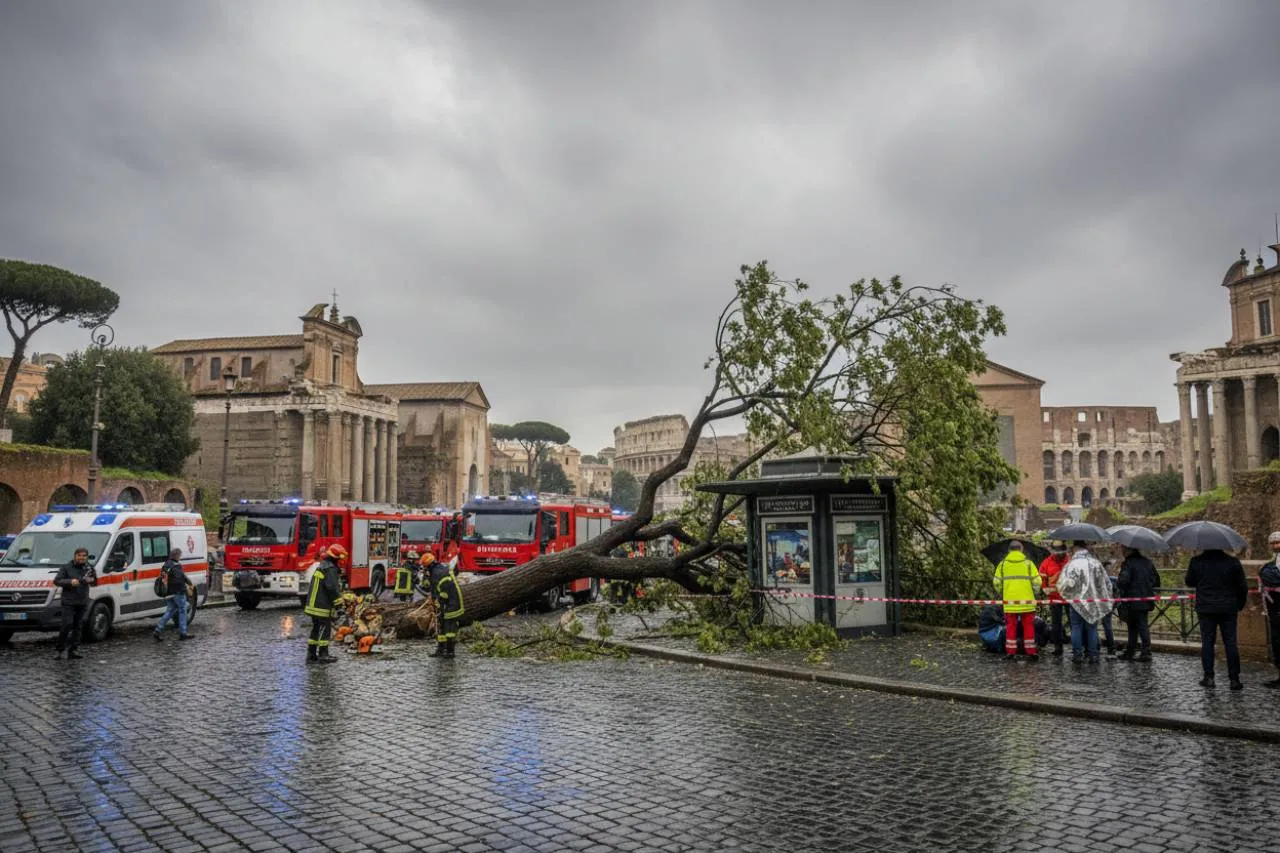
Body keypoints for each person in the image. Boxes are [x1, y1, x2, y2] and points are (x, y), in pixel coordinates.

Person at [1186, 546, 1249, 690]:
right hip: (1228, 608)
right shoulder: (1232, 562)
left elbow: (1189, 581)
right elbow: (1242, 586)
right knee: (1231, 643)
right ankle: (1234, 679)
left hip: (1206, 608)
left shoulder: (1196, 561)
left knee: (1207, 643)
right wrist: (1239, 604)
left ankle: (1209, 677)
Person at [1056, 541, 1111, 664]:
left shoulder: (1071, 565)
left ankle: (1077, 654)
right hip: (1093, 602)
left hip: (1076, 602)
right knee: (1092, 628)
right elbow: (1106, 583)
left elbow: (1063, 584)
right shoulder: (1096, 564)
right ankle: (1093, 655)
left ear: (1075, 548)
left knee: (1076, 628)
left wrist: (1069, 595)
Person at [992, 541, 1042, 660]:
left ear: (1009, 551)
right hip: (1027, 602)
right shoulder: (1029, 564)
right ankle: (1031, 652)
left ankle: (1011, 652)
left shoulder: (1003, 564)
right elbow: (1037, 582)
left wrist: (1003, 591)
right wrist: (1034, 592)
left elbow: (996, 582)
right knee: (1029, 626)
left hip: (1009, 602)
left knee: (1011, 627)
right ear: (1021, 550)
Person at [1115, 546, 1160, 661]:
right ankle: (1145, 651)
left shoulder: (1128, 563)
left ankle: (1132, 651)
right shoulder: (1148, 562)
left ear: (1130, 551)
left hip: (1131, 600)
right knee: (1143, 625)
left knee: (1132, 627)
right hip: (1146, 599)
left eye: (1124, 550)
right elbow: (1156, 580)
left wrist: (1119, 578)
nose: (1122, 552)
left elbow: (1123, 581)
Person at [304, 544, 346, 664]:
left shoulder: (323, 566)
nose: (341, 561)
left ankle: (311, 655)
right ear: (335, 558)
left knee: (316, 628)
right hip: (321, 605)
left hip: (313, 603)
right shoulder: (330, 569)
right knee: (324, 628)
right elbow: (332, 588)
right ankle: (323, 654)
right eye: (340, 558)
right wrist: (339, 606)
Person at [53, 547, 94, 660]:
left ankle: (73, 650)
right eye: (79, 555)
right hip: (68, 601)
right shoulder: (66, 567)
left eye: (84, 556)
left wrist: (91, 580)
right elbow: (57, 581)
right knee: (67, 625)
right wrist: (70, 582)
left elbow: (95, 581)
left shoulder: (89, 567)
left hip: (82, 601)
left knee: (78, 626)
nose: (82, 557)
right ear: (75, 556)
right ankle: (59, 650)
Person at [427, 551, 464, 658]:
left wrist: (439, 604)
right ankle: (441, 650)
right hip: (446, 603)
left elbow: (442, 592)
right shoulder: (439, 570)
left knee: (449, 630)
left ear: (429, 565)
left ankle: (450, 651)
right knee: (442, 627)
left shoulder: (437, 574)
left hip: (451, 605)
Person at [153, 548, 193, 641]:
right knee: (183, 610)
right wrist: (189, 585)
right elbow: (181, 578)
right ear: (176, 555)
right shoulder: (177, 565)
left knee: (170, 611)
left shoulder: (165, 565)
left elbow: (163, 579)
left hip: (168, 593)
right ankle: (183, 632)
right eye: (179, 555)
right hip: (178, 592)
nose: (180, 557)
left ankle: (158, 630)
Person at [1038, 541, 1070, 656]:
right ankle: (1058, 647)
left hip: (1069, 598)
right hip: (1054, 598)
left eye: (1060, 553)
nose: (1058, 555)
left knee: (1073, 622)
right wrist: (1044, 588)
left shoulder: (1070, 561)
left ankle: (1079, 646)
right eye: (1056, 553)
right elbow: (1042, 581)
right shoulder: (1046, 563)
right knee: (1056, 623)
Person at [1260, 531, 1280, 689]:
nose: (1275, 546)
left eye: (1277, 542)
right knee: (1277, 641)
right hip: (1274, 608)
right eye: (1273, 543)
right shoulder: (1273, 561)